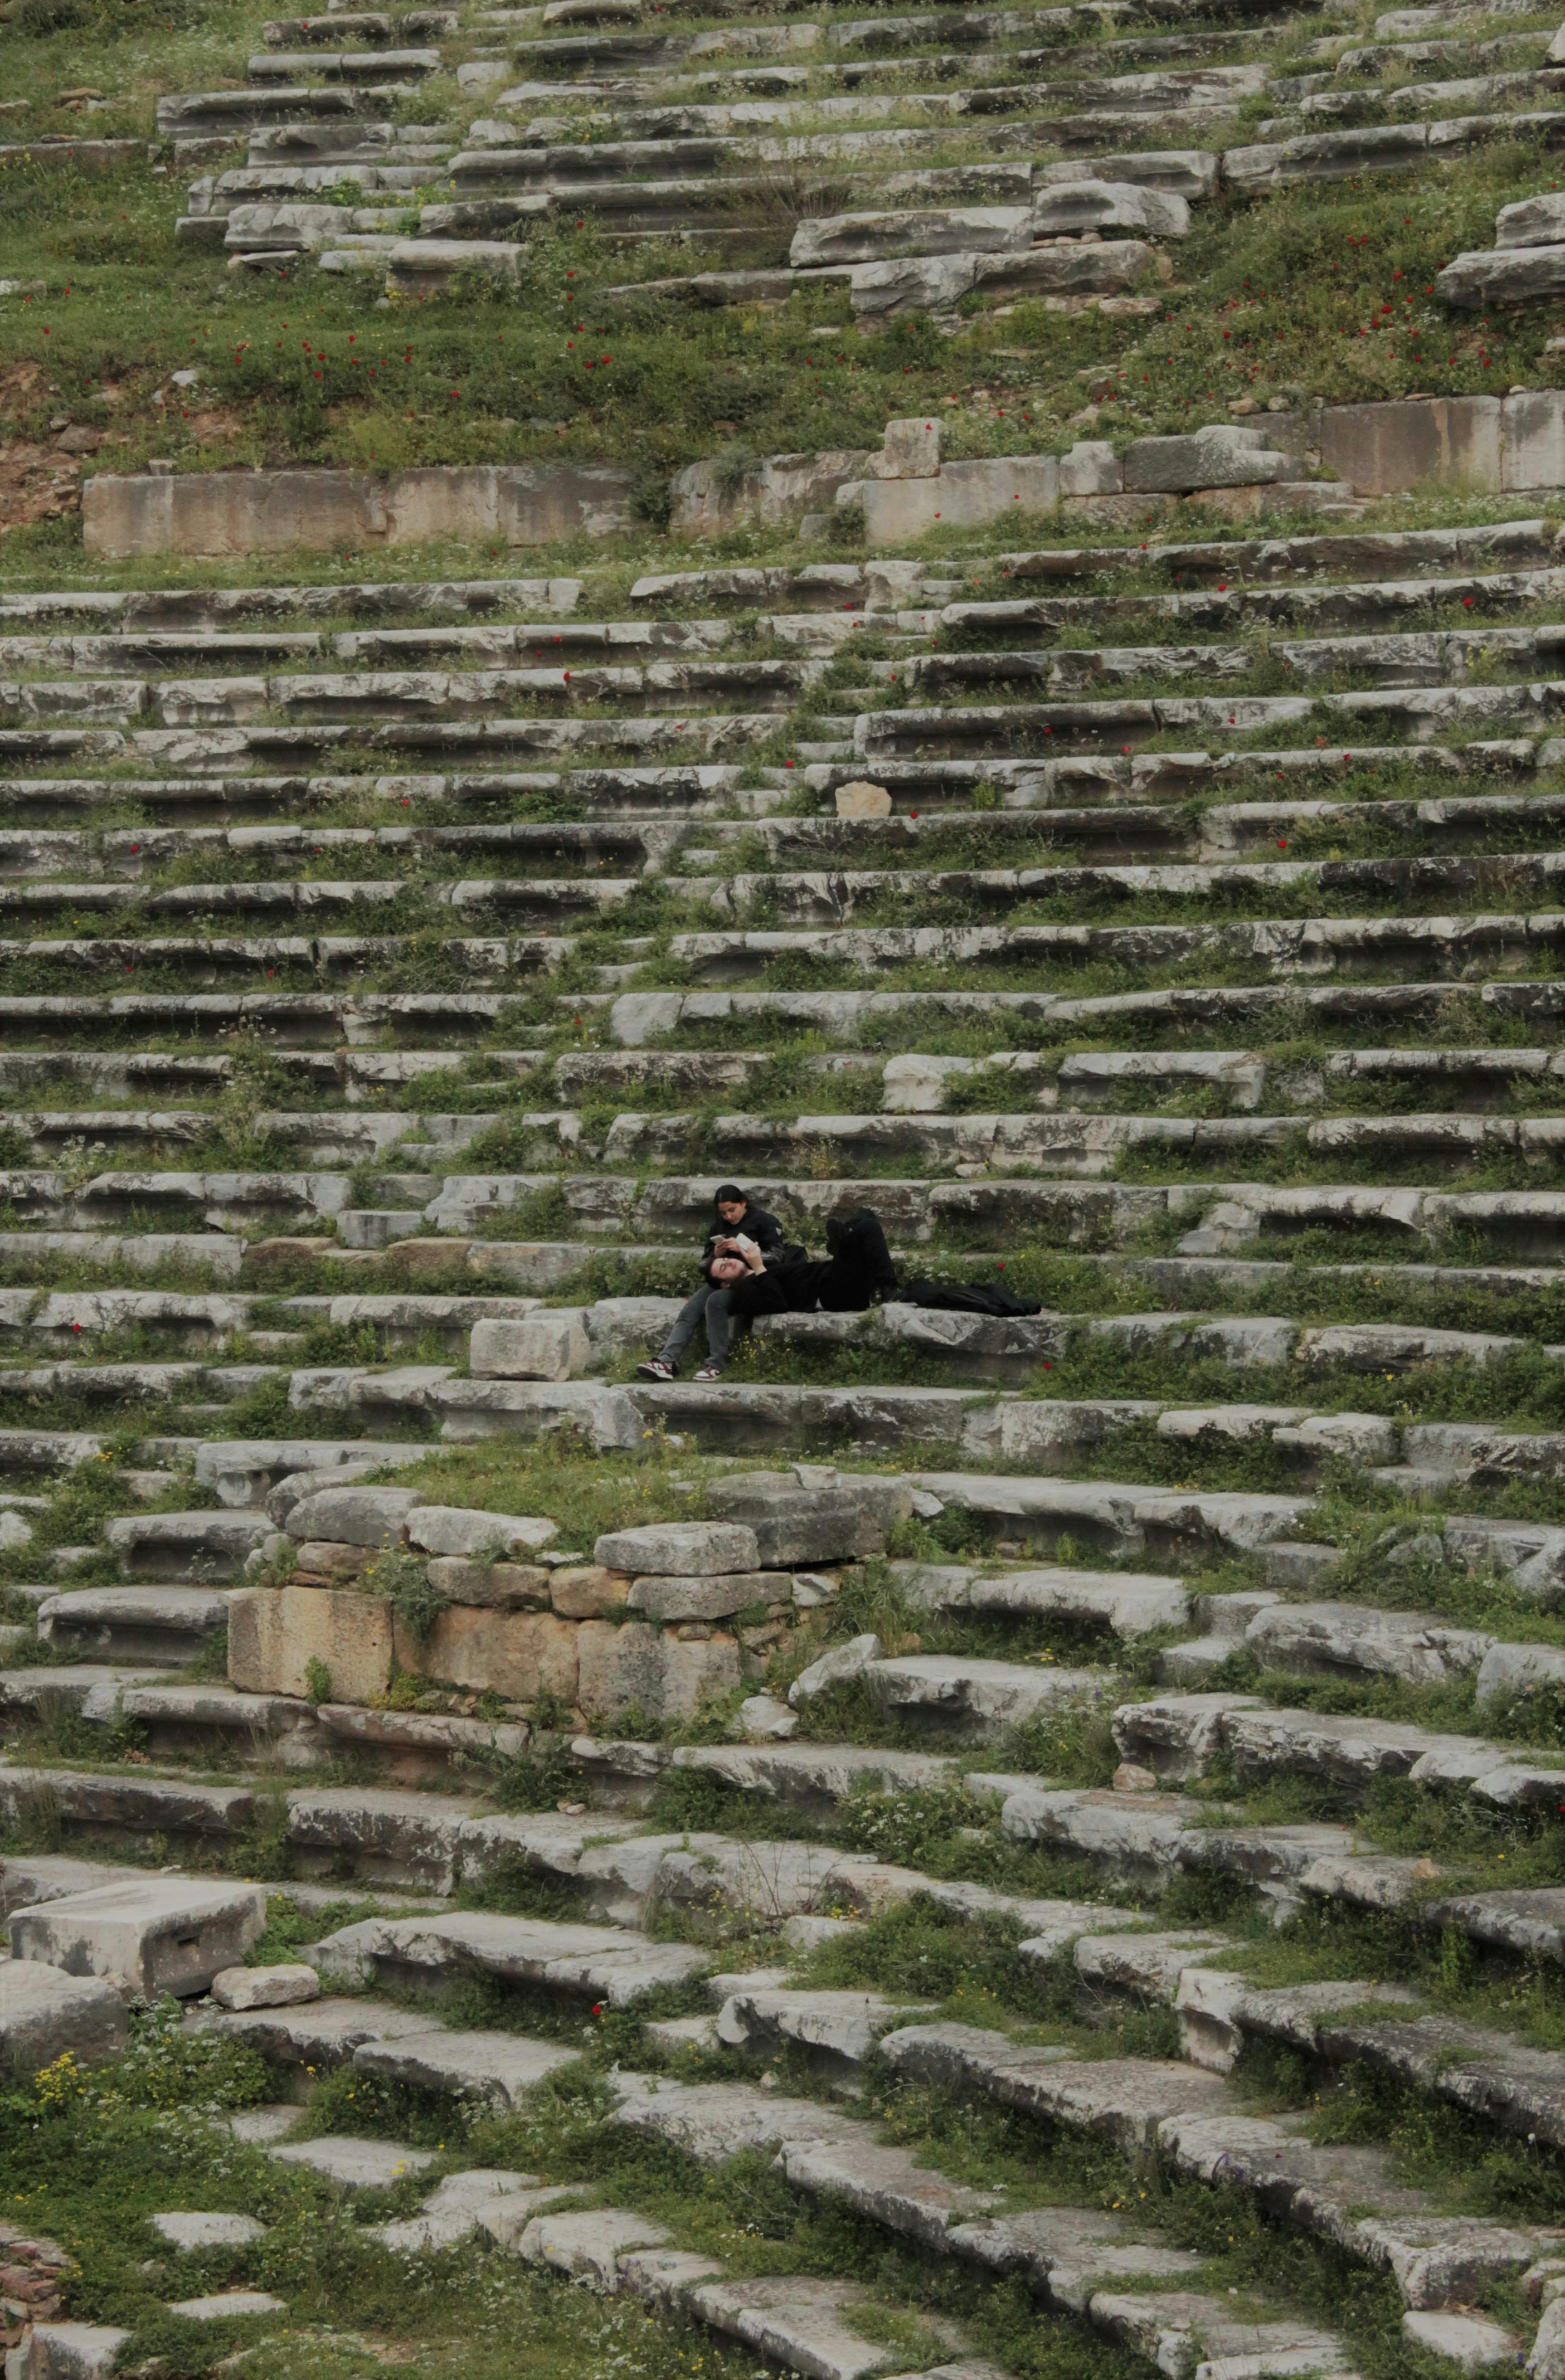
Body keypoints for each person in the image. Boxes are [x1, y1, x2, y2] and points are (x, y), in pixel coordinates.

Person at [636, 1184, 784, 1384]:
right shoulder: (719, 1226)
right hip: (724, 1278)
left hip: (753, 1280)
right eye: (723, 1213)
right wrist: (716, 1255)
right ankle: (666, 1361)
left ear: (743, 1203)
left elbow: (778, 1257)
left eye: (732, 1210)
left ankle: (716, 1363)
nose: (729, 1217)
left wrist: (743, 1250)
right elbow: (703, 1265)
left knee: (716, 1301)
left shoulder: (764, 1221)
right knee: (691, 1309)